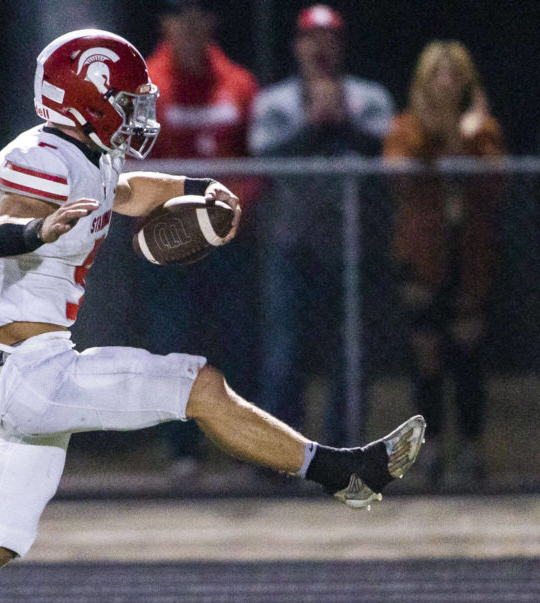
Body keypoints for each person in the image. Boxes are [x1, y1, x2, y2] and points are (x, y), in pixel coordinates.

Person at [0, 28, 426, 603]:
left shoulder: (83, 156)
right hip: (35, 374)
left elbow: (133, 188)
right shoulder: (37, 156)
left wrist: (201, 187)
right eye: (121, 98)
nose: (135, 112)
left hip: (23, 375)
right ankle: (340, 471)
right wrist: (39, 232)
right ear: (81, 97)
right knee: (198, 384)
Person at [248, 5, 395, 446]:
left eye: (329, 38)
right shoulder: (274, 103)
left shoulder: (369, 98)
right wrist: (313, 125)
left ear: (341, 46)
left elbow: (385, 153)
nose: (320, 47)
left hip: (351, 244)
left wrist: (343, 120)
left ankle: (342, 445)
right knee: (284, 349)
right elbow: (263, 157)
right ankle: (281, 451)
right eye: (311, 39)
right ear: (297, 46)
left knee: (350, 349)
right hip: (291, 241)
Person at [142, 0, 260, 474]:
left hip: (228, 239)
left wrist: (231, 213)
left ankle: (248, 446)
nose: (190, 24)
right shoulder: (144, 86)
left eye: (199, 13)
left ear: (212, 20)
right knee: (174, 343)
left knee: (236, 340)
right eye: (178, 13)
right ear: (164, 21)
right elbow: (134, 170)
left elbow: (258, 164)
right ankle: (182, 450)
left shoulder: (239, 84)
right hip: (167, 241)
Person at [383, 41, 505, 485]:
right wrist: (450, 139)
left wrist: (469, 135)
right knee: (426, 354)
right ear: (424, 80)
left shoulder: (484, 130)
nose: (447, 81)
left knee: (469, 353)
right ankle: (430, 450)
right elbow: (398, 172)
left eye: (455, 73)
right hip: (422, 256)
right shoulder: (407, 127)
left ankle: (471, 447)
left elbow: (496, 185)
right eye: (439, 72)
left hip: (469, 257)